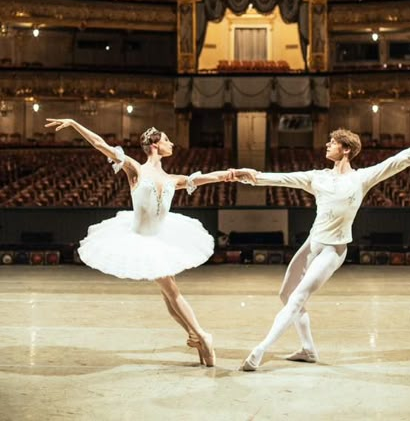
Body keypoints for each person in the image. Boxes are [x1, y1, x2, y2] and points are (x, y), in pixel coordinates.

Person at [240, 130, 410, 371]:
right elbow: (282, 179)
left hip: (333, 250)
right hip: (312, 244)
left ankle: (259, 350)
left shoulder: (361, 178)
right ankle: (308, 350)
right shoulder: (317, 177)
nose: (327, 144)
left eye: (332, 143)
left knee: (297, 298)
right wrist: (252, 177)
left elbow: (398, 160)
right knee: (286, 295)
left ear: (346, 149)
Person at [45, 117, 255, 367]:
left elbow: (210, 177)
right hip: (140, 239)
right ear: (154, 145)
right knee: (170, 293)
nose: (172, 143)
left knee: (170, 293)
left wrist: (235, 173)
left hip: (160, 239)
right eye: (167, 139)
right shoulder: (135, 169)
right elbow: (100, 144)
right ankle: (198, 334)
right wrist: (73, 124)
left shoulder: (173, 179)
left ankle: (199, 334)